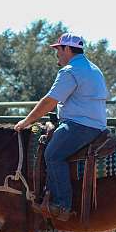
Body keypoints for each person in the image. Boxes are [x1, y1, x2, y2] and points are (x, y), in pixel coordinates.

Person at [14, 33, 108, 221]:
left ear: (67, 49)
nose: (57, 54)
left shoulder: (70, 71)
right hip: (96, 125)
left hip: (79, 125)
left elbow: (49, 101)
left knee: (53, 155)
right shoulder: (93, 68)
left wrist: (26, 122)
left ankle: (62, 205)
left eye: (58, 49)